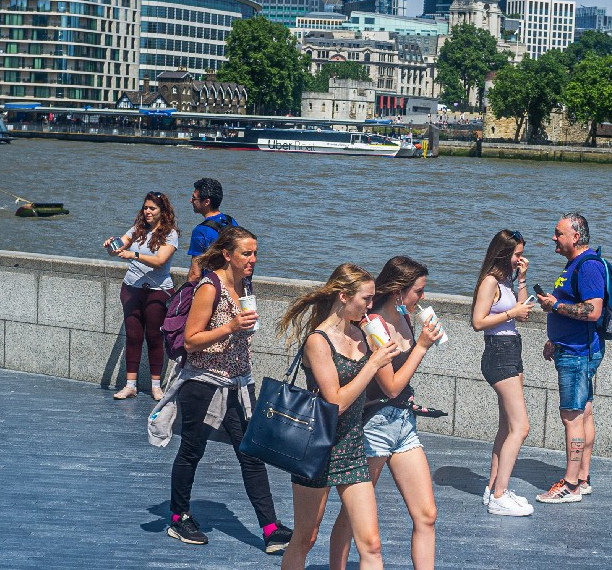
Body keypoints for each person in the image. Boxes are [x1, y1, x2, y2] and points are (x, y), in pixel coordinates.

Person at [166, 226, 293, 554]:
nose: (253, 259)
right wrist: (230, 327)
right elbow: (192, 339)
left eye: (255, 253)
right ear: (227, 254)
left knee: (251, 454)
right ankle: (179, 516)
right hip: (203, 382)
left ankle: (269, 528)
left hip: (239, 382)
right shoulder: (210, 286)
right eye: (246, 253)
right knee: (192, 450)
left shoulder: (246, 283)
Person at [327, 256, 444, 570]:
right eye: (418, 291)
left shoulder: (404, 315)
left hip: (404, 423)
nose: (422, 297)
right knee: (352, 517)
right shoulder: (374, 325)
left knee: (427, 515)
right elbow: (390, 386)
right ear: (399, 291)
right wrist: (421, 347)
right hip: (375, 424)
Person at [277, 264, 395, 570]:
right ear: (343, 296)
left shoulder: (362, 332)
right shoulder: (318, 340)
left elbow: (390, 385)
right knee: (306, 537)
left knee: (371, 543)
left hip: (351, 446)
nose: (371, 306)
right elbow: (336, 402)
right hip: (315, 448)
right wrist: (373, 363)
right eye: (366, 299)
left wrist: (393, 349)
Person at [533, 213, 605, 504]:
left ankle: (571, 485)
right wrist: (555, 338)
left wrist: (555, 305)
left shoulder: (587, 267)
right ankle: (583, 478)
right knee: (584, 413)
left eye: (558, 233)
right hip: (573, 349)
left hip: (577, 355)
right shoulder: (575, 265)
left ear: (575, 236)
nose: (554, 238)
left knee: (572, 417)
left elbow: (593, 311)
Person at [470, 230, 536, 516]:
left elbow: (524, 308)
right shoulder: (489, 282)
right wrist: (511, 314)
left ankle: (494, 487)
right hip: (498, 351)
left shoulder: (506, 281)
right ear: (503, 252)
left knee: (508, 427)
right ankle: (499, 495)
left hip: (511, 348)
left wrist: (521, 280)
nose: (520, 258)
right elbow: (477, 321)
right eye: (516, 254)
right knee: (521, 427)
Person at [105, 191, 178, 401]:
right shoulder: (137, 229)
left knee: (155, 337)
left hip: (157, 291)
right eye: (145, 207)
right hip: (132, 288)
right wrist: (112, 246)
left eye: (152, 208)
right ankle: (130, 385)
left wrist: (134, 254)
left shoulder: (170, 234)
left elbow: (160, 261)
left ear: (162, 212)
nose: (147, 211)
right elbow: (119, 247)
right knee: (133, 337)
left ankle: (156, 386)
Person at [186, 178, 236, 283]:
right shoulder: (231, 221)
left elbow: (195, 274)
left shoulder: (200, 231)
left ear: (206, 202)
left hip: (212, 289)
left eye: (194, 198)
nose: (191, 201)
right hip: (232, 285)